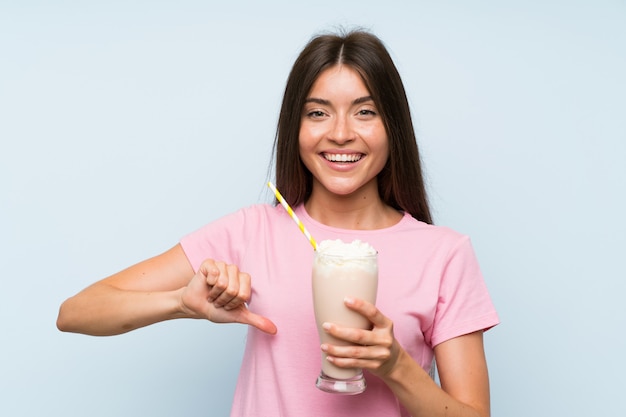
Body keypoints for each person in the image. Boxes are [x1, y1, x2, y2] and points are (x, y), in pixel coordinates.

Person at [57, 29, 499, 417]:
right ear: (296, 128)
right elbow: (75, 313)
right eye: (318, 112)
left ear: (393, 127)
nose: (340, 133)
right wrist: (181, 303)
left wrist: (396, 366)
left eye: (365, 112)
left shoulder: (444, 253)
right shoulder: (252, 232)